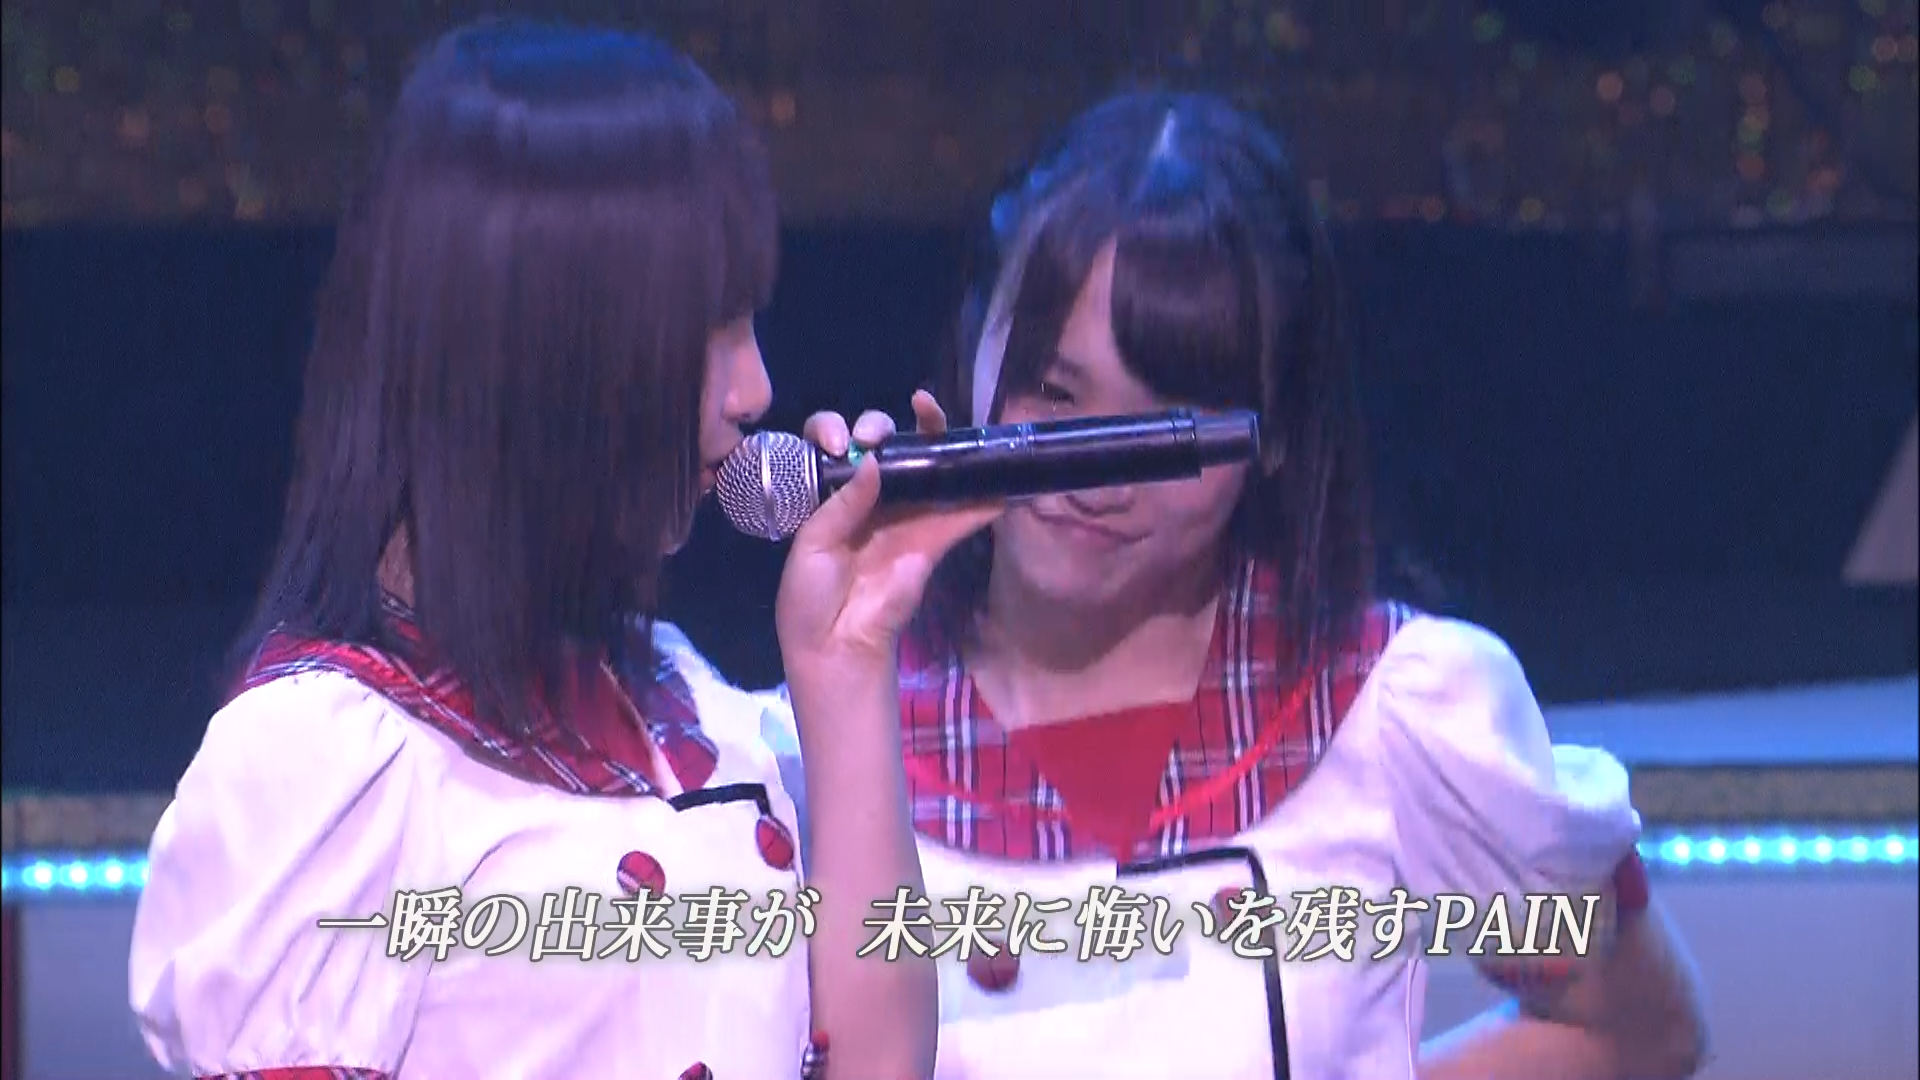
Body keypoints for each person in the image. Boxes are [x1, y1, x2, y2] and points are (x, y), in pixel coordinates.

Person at [127, 20, 993, 1080]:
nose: (756, 389)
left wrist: (845, 656)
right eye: (708, 331)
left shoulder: (690, 704)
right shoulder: (320, 766)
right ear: (544, 347)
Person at [785, 91, 1710, 1078]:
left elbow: (1636, 1029)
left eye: (1166, 430)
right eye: (1054, 395)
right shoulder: (819, 745)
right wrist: (846, 666)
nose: (1096, 479)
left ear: (1272, 432)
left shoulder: (1391, 708)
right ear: (977, 350)